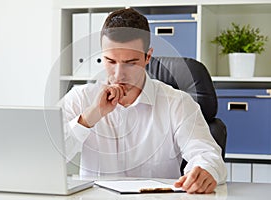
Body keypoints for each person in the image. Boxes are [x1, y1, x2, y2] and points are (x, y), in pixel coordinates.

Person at [62, 8, 227, 194]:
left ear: (148, 56)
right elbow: (48, 155)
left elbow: (207, 154)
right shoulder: (80, 98)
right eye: (110, 61)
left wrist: (204, 171)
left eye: (130, 62)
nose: (118, 74)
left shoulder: (177, 103)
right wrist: (89, 118)